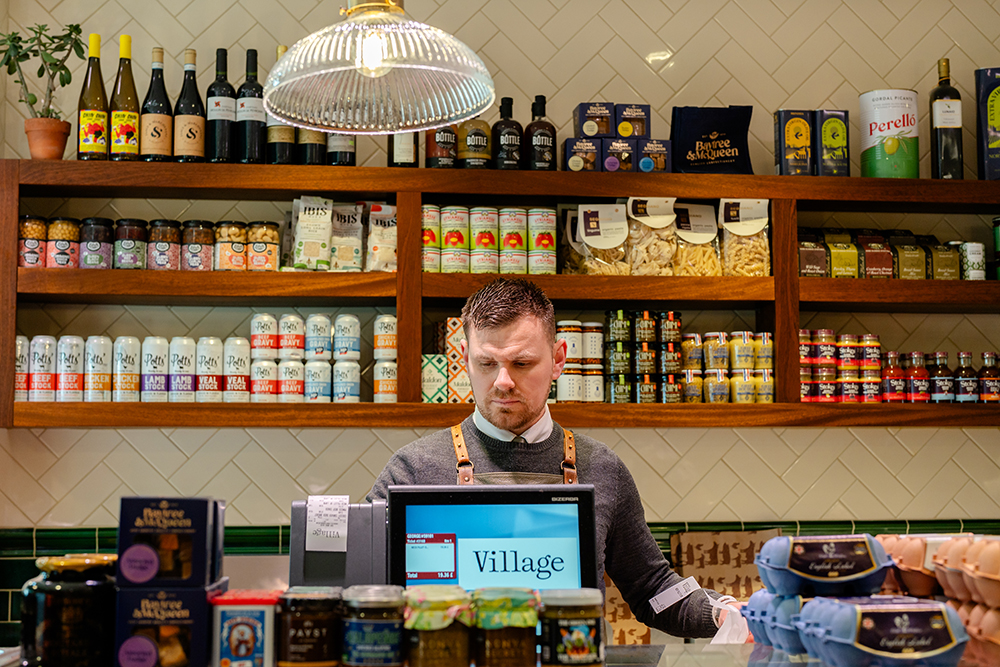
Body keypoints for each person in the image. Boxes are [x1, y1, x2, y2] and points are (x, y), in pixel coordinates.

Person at [368, 277, 723, 638]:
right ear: (464, 359)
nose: (503, 381)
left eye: (522, 363)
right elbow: (358, 583)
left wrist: (725, 614)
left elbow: (654, 590)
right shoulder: (412, 469)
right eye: (487, 363)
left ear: (558, 360)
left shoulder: (602, 467)